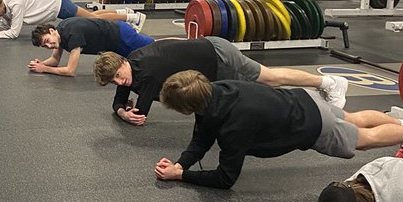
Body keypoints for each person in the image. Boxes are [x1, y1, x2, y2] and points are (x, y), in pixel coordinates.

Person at [153, 71, 403, 190]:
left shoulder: (234, 126)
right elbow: (202, 135)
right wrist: (181, 163)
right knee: (355, 119)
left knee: (363, 140)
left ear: (188, 106)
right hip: (306, 100)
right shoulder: (216, 91)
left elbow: (225, 178)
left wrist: (182, 176)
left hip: (312, 125)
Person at [94, 37, 349, 124]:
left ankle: (328, 84)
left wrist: (126, 114)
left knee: (268, 80)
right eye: (114, 81)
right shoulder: (132, 62)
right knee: (265, 85)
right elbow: (122, 98)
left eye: (119, 75)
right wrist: (120, 109)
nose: (121, 82)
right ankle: (317, 94)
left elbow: (141, 113)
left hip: (219, 58)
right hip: (211, 55)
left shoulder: (146, 72)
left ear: (122, 62)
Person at [0, 0, 145, 39]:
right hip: (57, 3)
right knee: (91, 15)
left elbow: (13, 32)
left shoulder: (15, 3)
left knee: (96, 20)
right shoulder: (5, 4)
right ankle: (123, 13)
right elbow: (6, 25)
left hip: (59, 5)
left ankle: (133, 18)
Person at [29, 17, 153, 78]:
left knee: (154, 48)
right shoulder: (58, 35)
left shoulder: (72, 34)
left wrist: (44, 69)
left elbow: (70, 71)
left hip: (122, 36)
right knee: (142, 64)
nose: (49, 46)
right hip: (113, 45)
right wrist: (41, 64)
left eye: (47, 41)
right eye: (45, 46)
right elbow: (55, 60)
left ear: (52, 31)